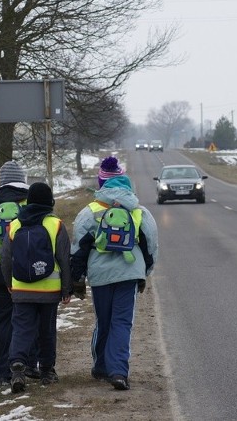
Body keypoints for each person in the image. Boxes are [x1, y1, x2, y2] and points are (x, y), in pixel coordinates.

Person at [70, 167, 158, 391]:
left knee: (104, 321)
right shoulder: (139, 211)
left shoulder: (90, 211)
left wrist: (77, 278)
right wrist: (144, 272)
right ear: (129, 190)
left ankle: (100, 367)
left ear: (104, 188)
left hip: (100, 274)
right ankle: (118, 371)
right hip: (129, 273)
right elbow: (150, 245)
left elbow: (79, 248)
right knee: (122, 322)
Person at [0, 182, 73, 393]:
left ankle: (17, 366)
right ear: (50, 201)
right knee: (46, 330)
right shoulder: (56, 225)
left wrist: (9, 284)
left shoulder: (14, 225)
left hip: (22, 289)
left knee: (22, 329)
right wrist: (66, 289)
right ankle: (47, 371)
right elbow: (64, 259)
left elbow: (5, 258)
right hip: (49, 290)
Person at [0, 161, 38, 386]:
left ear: (1, 180)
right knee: (27, 318)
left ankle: (1, 372)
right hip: (25, 267)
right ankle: (27, 364)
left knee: (1, 320)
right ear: (22, 179)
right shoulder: (29, 203)